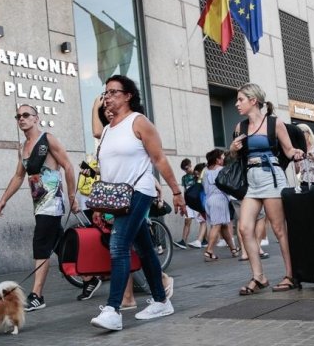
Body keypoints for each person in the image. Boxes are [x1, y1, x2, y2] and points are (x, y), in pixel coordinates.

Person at [89, 75, 186, 331]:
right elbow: (106, 170)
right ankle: (160, 300)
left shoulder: (139, 122)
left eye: (112, 92)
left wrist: (176, 192)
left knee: (119, 246)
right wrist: (100, 206)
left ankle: (113, 310)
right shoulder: (109, 128)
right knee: (144, 248)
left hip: (138, 191)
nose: (107, 97)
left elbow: (160, 159)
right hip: (116, 197)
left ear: (128, 95)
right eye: (105, 92)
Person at [0, 104, 78, 312]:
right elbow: (18, 176)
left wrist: (72, 196)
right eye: (18, 116)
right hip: (39, 204)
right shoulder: (22, 148)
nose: (21, 119)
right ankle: (90, 277)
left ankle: (37, 295)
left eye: (25, 115)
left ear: (35, 118)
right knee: (58, 244)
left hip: (52, 203)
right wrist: (4, 198)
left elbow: (67, 166)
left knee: (40, 244)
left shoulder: (47, 139)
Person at [229, 83, 305, 295]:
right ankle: (259, 277)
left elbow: (288, 150)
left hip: (271, 178)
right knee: (244, 228)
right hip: (252, 181)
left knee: (280, 230)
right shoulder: (239, 127)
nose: (237, 104)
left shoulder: (274, 123)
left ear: (253, 101)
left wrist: (297, 153)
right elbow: (235, 157)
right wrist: (233, 149)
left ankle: (291, 275)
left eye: (240, 100)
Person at [202, 148, 239, 261]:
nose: (223, 159)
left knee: (223, 225)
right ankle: (209, 251)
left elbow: (204, 187)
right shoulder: (222, 170)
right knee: (217, 225)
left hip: (209, 200)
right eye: (222, 157)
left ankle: (233, 249)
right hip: (219, 199)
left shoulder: (205, 171)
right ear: (217, 160)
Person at [175, 158, 207, 249]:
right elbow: (185, 191)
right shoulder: (184, 178)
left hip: (197, 200)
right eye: (184, 169)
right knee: (187, 220)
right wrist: (183, 204)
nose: (186, 171)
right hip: (189, 201)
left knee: (202, 220)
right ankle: (183, 241)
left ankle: (204, 240)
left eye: (187, 168)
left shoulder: (197, 174)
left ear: (190, 165)